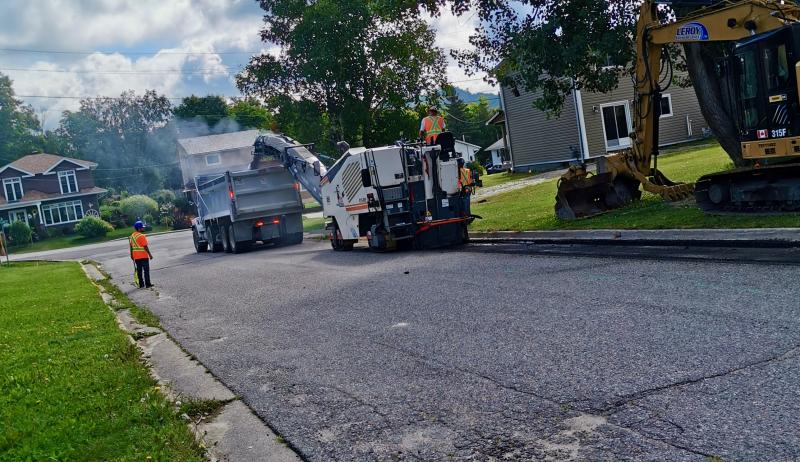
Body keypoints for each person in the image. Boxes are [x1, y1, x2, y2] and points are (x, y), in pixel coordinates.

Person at [129, 220, 153, 288]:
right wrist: (150, 255)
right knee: (146, 271)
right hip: (143, 256)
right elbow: (145, 246)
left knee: (139, 271)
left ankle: (141, 284)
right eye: (142, 227)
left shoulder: (132, 236)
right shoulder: (142, 236)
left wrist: (131, 255)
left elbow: (131, 247)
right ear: (139, 228)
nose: (143, 228)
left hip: (136, 257)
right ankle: (148, 284)